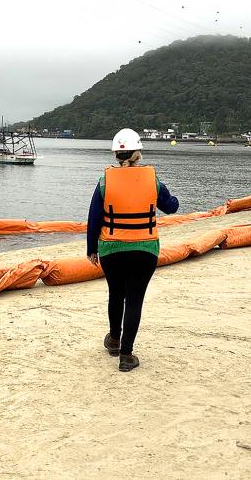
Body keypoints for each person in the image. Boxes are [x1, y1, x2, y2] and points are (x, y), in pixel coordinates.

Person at [87, 128, 179, 372]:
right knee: (134, 299)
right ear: (138, 153)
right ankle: (126, 356)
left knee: (115, 294)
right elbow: (171, 207)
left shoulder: (104, 181)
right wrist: (168, 196)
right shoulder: (152, 179)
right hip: (145, 250)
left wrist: (91, 250)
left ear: (116, 154)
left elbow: (94, 218)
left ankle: (114, 340)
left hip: (111, 249)